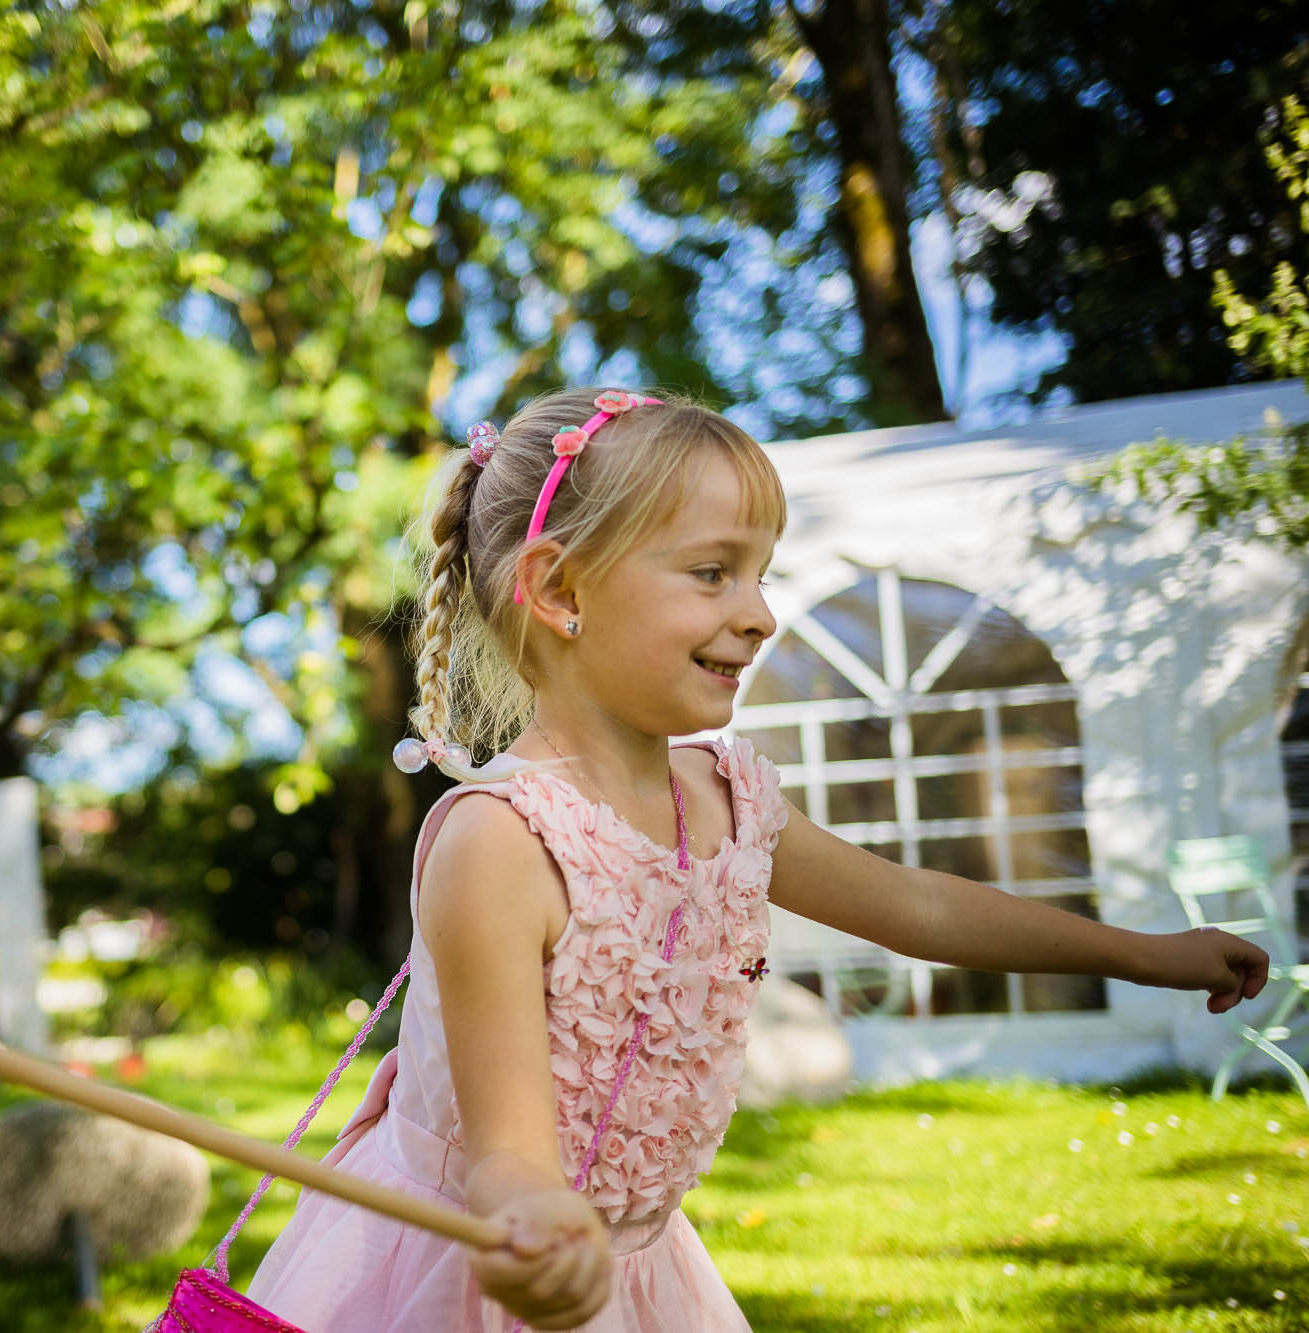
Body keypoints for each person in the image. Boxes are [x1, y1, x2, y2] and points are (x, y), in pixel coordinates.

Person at [240, 387, 1271, 1331]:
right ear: (557, 589)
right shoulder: (500, 842)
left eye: (760, 573)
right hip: (481, 1264)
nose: (759, 612)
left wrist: (1142, 953)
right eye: (710, 572)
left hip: (638, 1268)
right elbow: (506, 1151)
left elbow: (921, 907)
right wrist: (529, 1225)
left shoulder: (725, 799)